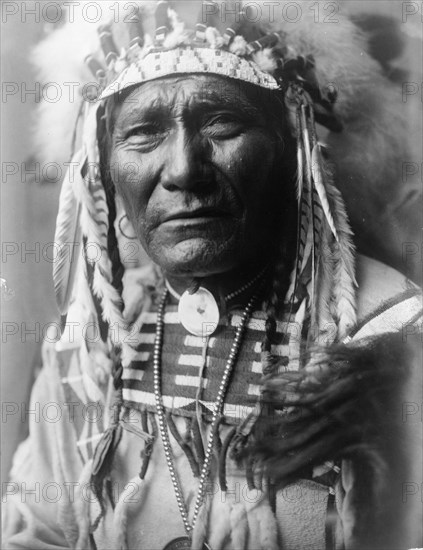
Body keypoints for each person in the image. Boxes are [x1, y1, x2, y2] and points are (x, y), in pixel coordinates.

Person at [3, 2, 422, 549]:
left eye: (222, 123)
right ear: (107, 174)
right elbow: (39, 535)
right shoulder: (90, 352)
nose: (183, 170)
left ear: (295, 152)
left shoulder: (392, 333)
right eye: (144, 133)